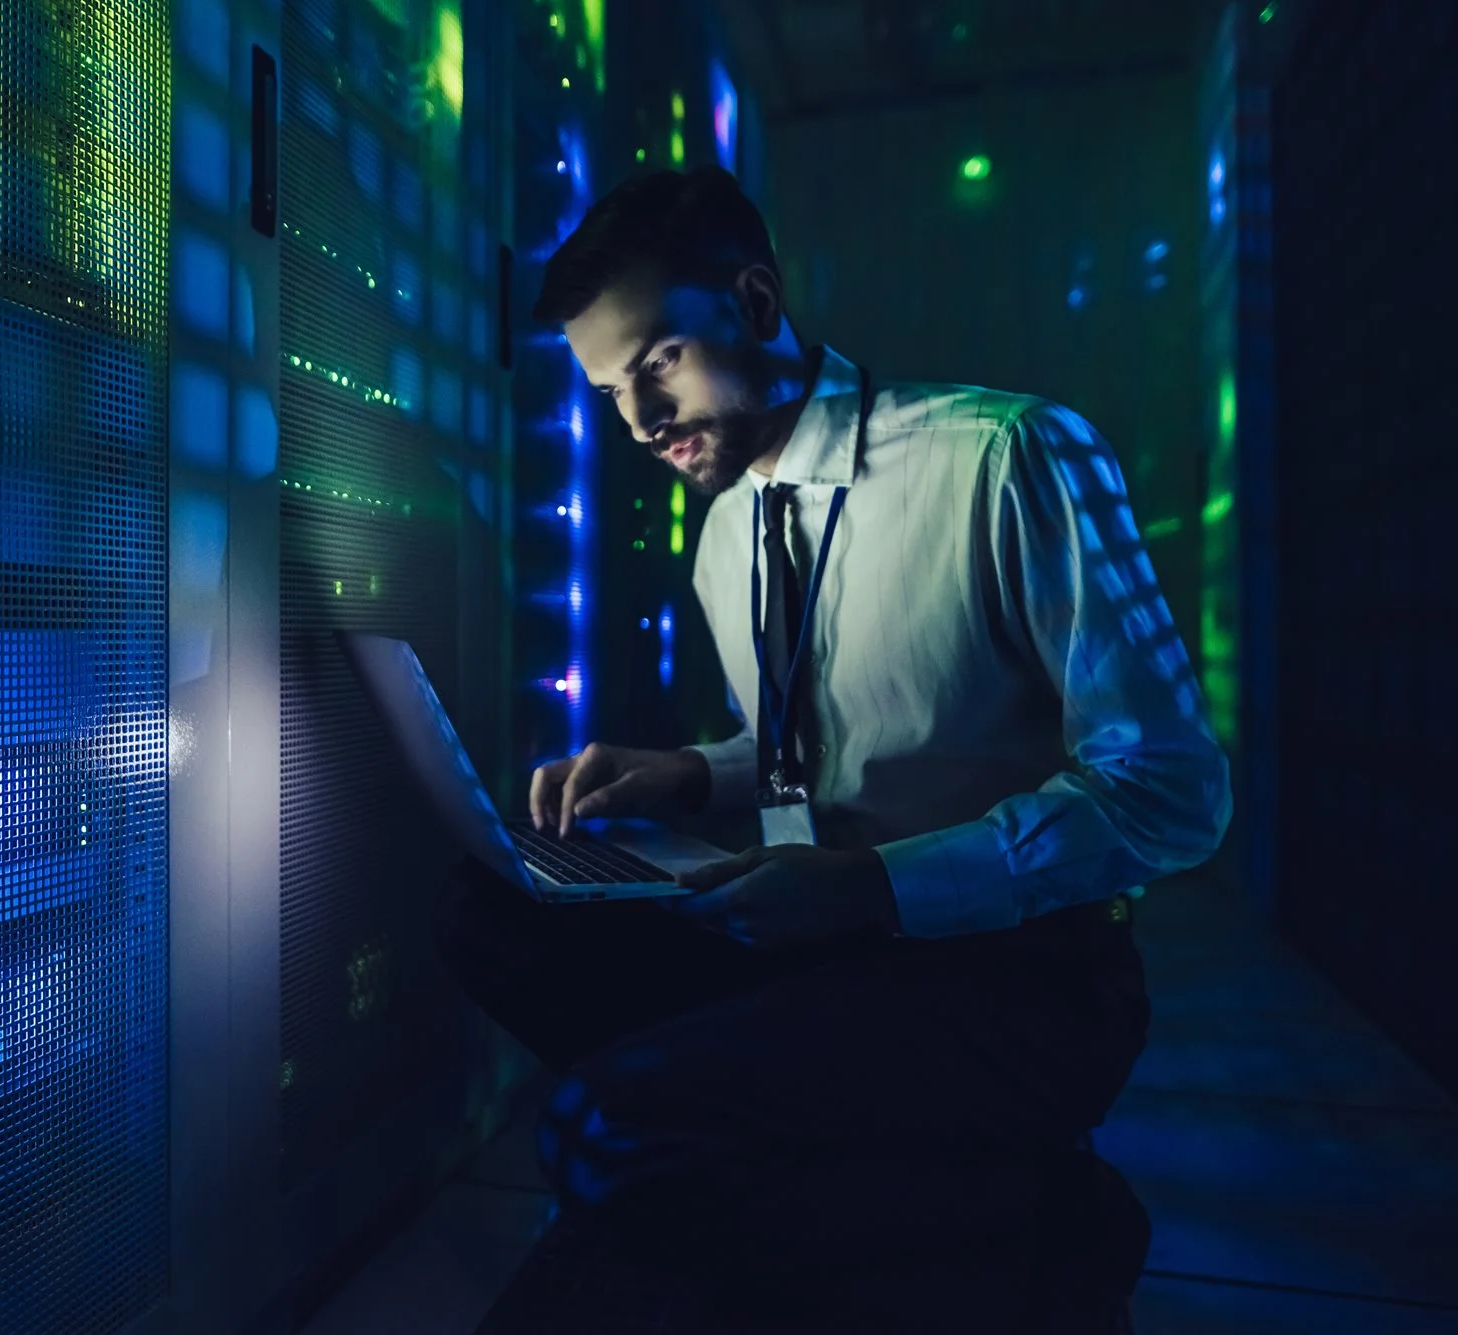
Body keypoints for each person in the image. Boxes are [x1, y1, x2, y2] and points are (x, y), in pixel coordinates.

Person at [436, 168, 1231, 1333]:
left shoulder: (1007, 458)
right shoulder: (721, 536)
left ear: (756, 302)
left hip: (1028, 982)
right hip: (813, 950)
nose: (641, 422)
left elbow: (1170, 791)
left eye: (658, 361)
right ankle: (864, 1166)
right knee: (480, 917)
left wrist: (874, 887)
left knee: (601, 1127)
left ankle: (1035, 1214)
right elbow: (812, 736)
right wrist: (692, 772)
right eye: (611, 390)